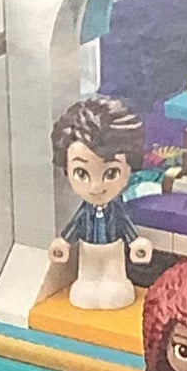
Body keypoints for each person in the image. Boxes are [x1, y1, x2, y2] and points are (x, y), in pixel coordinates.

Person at [49, 94, 153, 309]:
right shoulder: (85, 211)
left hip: (114, 250)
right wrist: (64, 243)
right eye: (82, 173)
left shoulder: (116, 209)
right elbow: (75, 226)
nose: (96, 187)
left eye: (111, 173)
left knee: (115, 286)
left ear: (130, 168)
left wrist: (135, 242)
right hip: (87, 251)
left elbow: (126, 225)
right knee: (86, 284)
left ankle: (115, 285)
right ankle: (88, 285)